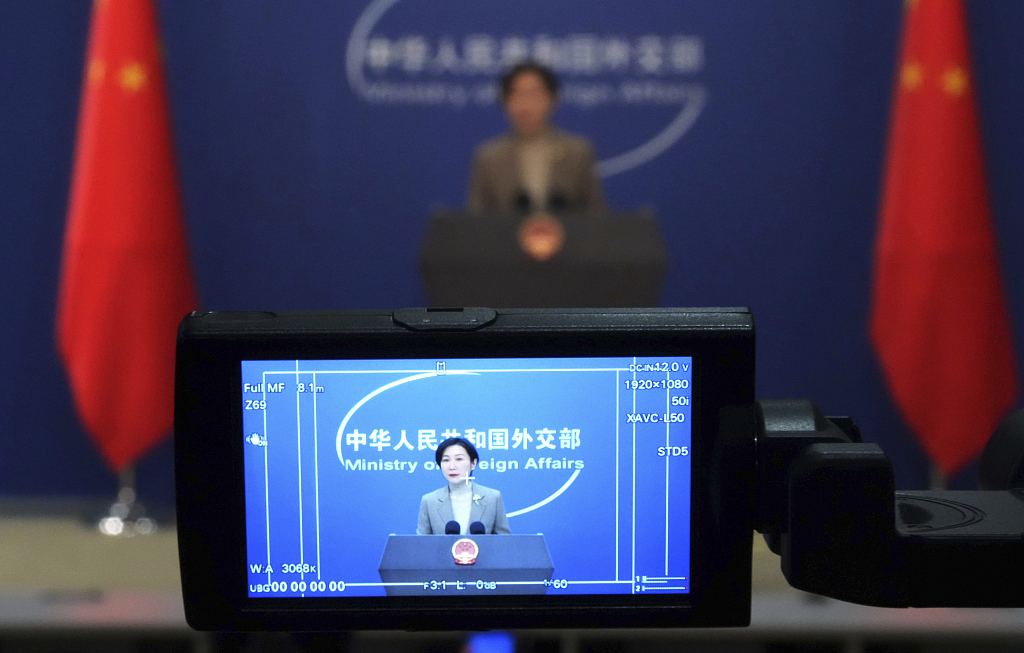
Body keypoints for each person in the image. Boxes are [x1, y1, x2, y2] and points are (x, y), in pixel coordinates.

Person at [466, 62, 605, 216]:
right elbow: (477, 221)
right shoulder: (490, 157)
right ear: (506, 102)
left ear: (552, 99)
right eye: (517, 94)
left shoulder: (578, 152)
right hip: (503, 239)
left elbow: (595, 216)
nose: (526, 104)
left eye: (534, 93)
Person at [417, 437, 511, 535]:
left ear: (473, 463)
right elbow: (421, 545)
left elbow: (504, 542)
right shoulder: (429, 501)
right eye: (446, 460)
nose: (452, 467)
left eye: (459, 459)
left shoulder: (492, 498)